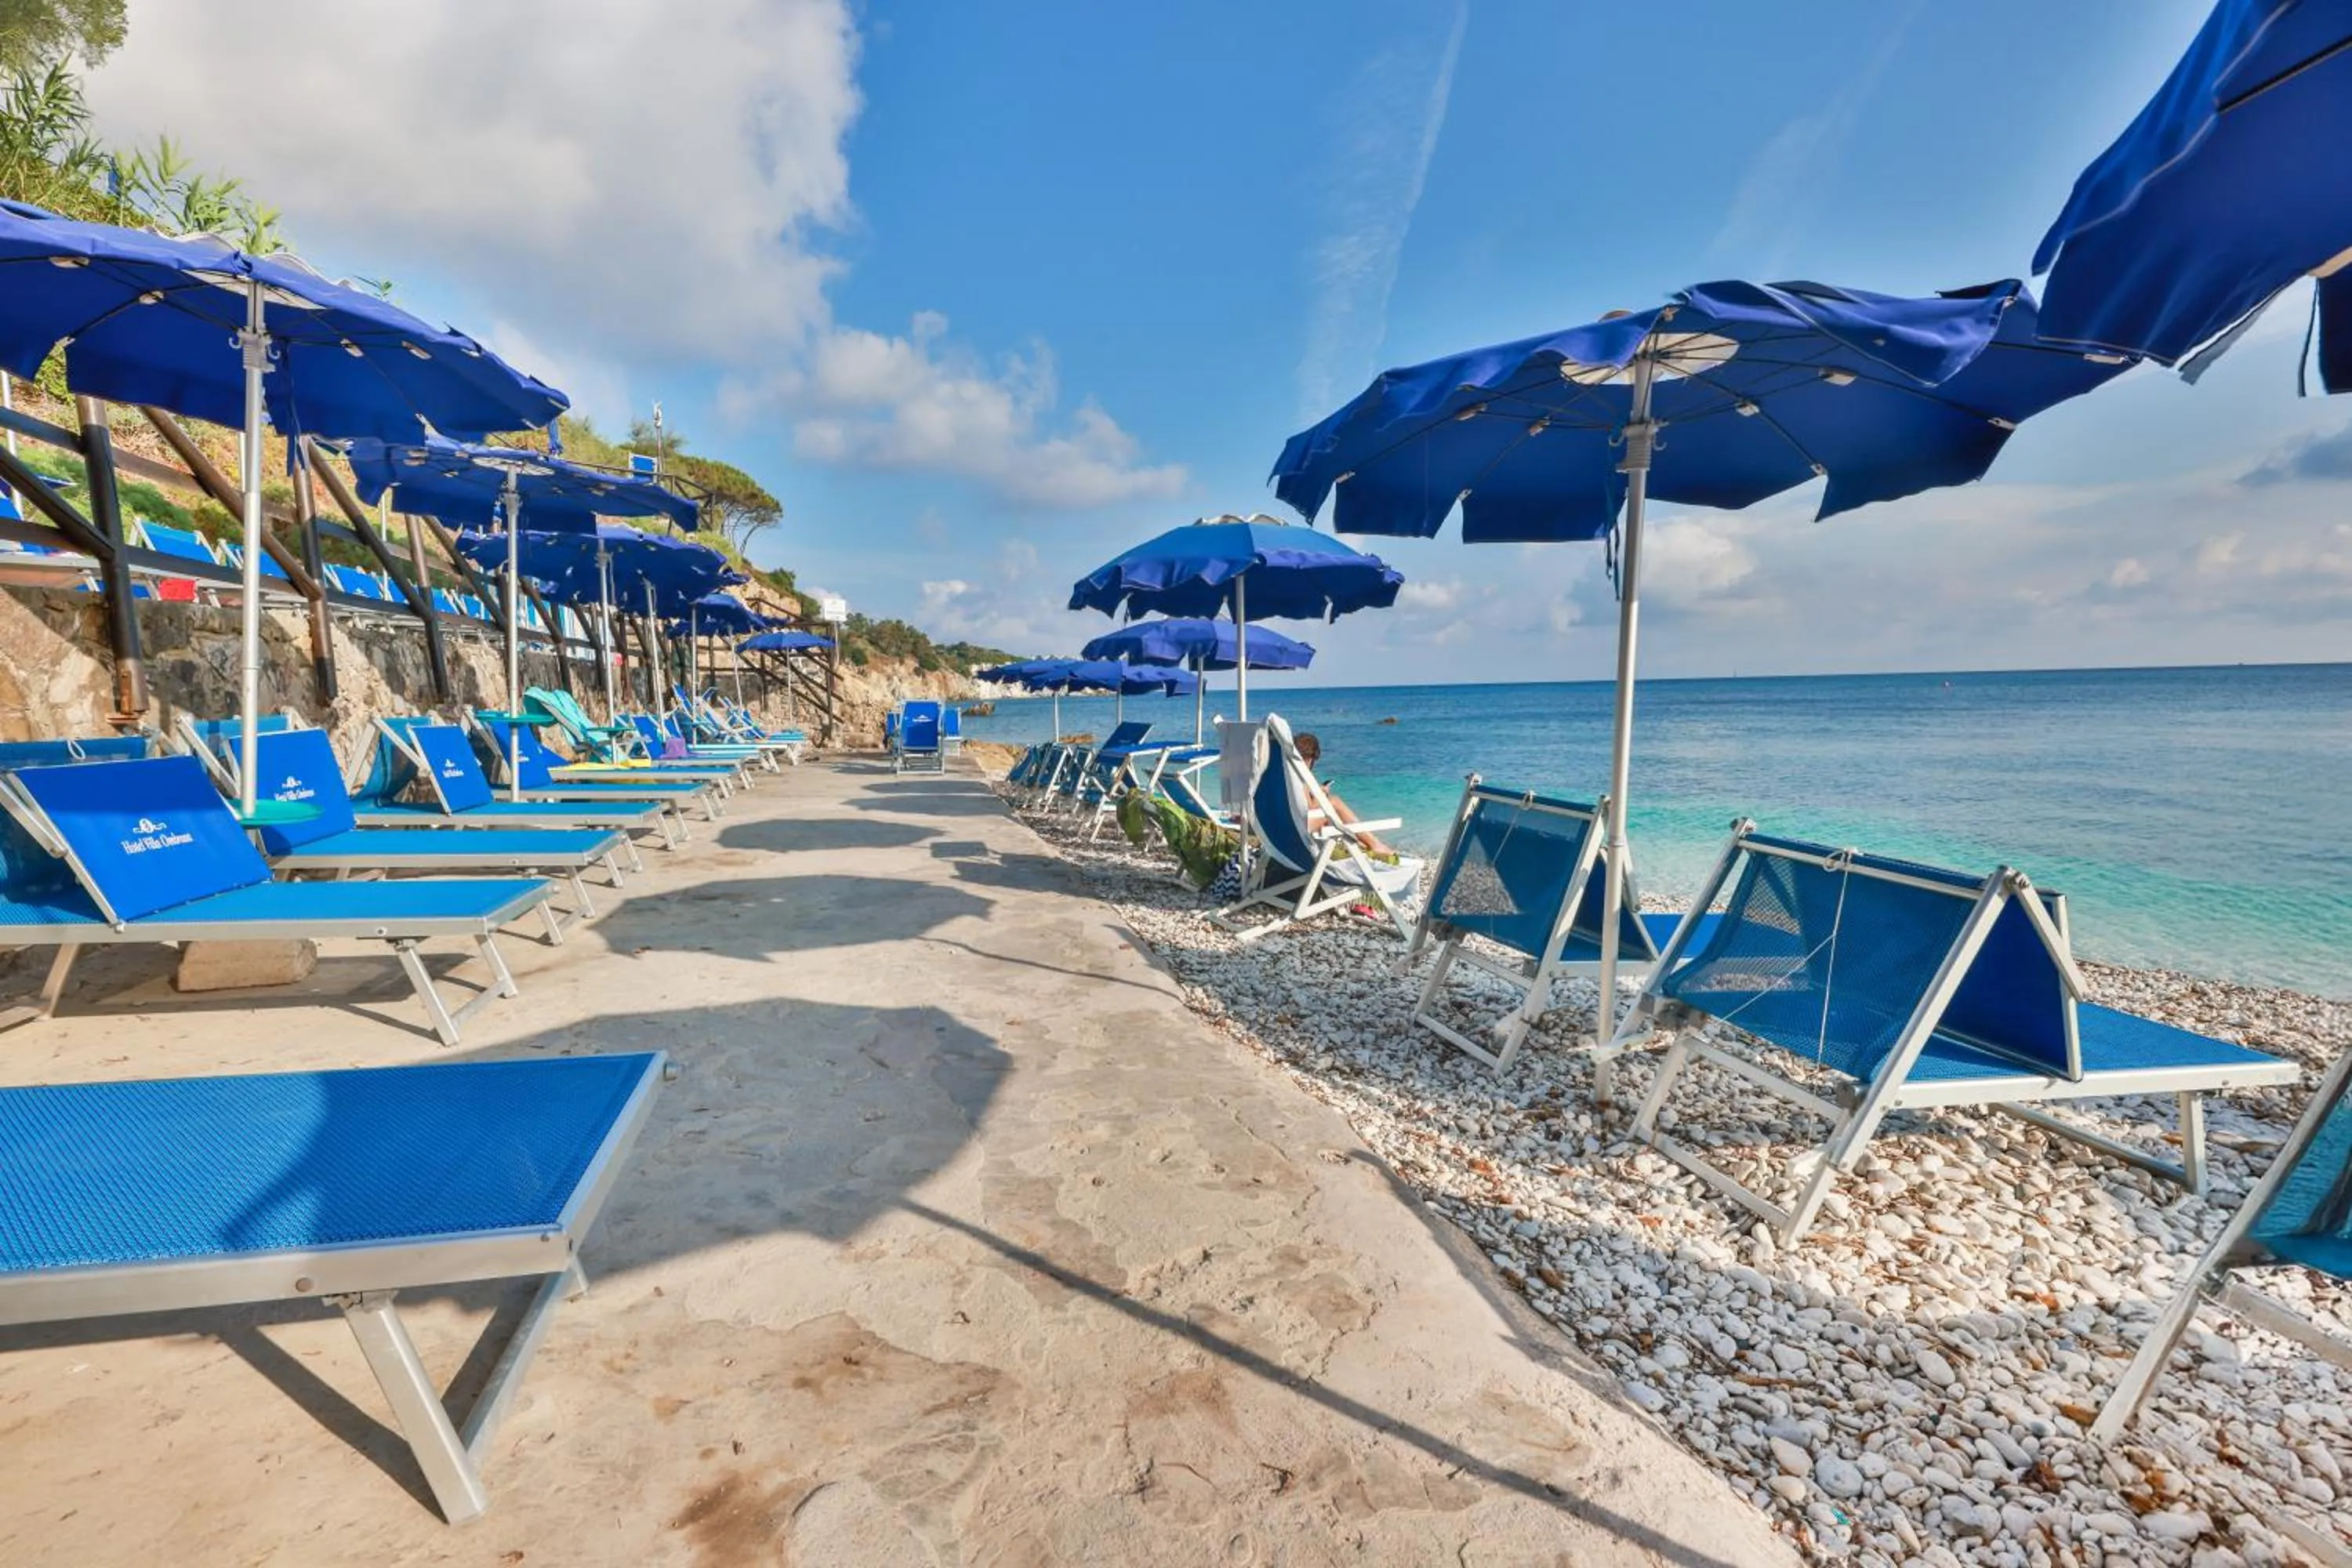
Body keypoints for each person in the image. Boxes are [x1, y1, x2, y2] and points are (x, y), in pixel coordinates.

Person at [1290, 731, 1398, 859]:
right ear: (1311, 757)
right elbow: (1309, 808)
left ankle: (1361, 844)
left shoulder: (1288, 773)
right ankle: (1374, 844)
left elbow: (1299, 803)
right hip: (1301, 827)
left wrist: (1317, 792)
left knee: (1332, 808)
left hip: (1288, 826)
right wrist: (1322, 795)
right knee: (1334, 802)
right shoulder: (1301, 776)